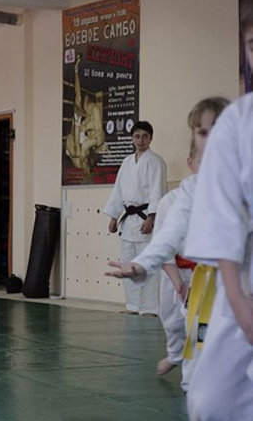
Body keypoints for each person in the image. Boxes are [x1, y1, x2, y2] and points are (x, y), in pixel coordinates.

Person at [105, 98, 229, 386]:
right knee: (175, 321)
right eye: (202, 133)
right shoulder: (177, 200)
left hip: (219, 279)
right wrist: (142, 267)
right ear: (190, 162)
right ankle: (177, 358)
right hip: (181, 270)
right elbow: (164, 244)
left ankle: (194, 379)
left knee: (202, 330)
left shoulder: (236, 195)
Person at [183, 6, 253, 421]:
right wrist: (238, 301)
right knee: (210, 402)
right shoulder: (237, 122)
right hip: (243, 279)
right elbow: (223, 213)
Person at [103, 121, 166, 317]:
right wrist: (114, 216)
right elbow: (118, 190)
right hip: (128, 219)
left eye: (145, 136)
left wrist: (151, 218)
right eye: (137, 136)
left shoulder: (156, 161)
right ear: (132, 138)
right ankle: (132, 305)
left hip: (145, 217)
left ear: (151, 139)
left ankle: (149, 308)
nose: (141, 140)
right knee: (128, 264)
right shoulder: (127, 162)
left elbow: (157, 191)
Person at [65, 53, 107, 176]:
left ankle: (76, 70)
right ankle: (76, 70)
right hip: (81, 138)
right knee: (96, 136)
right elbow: (78, 93)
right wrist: (76, 71)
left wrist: (80, 124)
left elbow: (76, 140)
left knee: (78, 152)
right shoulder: (92, 139)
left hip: (75, 139)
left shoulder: (78, 156)